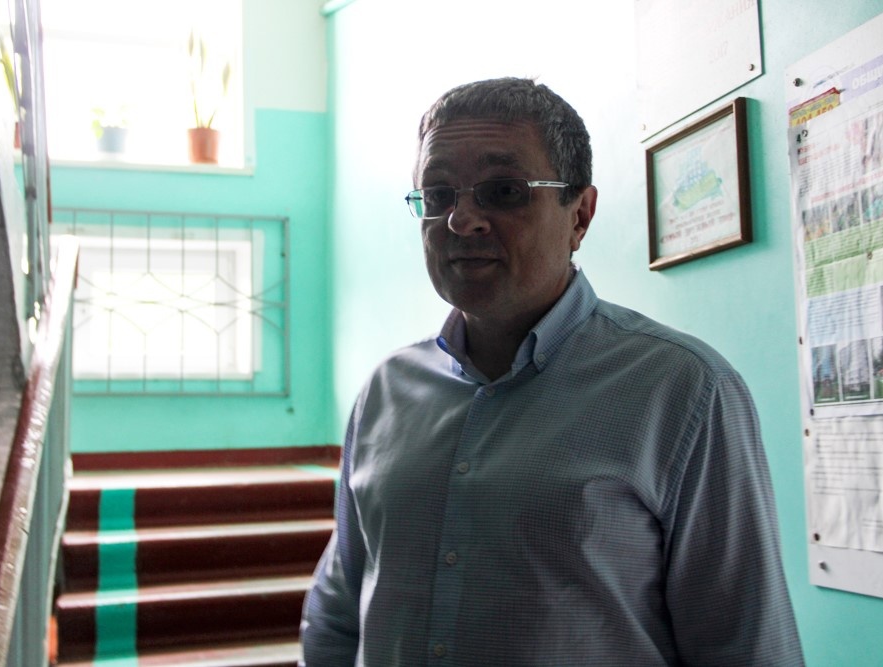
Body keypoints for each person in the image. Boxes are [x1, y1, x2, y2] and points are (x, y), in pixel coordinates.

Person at [300, 77, 804, 666]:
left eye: (504, 191)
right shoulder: (387, 392)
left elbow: (744, 646)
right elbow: (338, 611)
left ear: (580, 216)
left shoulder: (684, 390)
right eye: (437, 195)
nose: (461, 220)